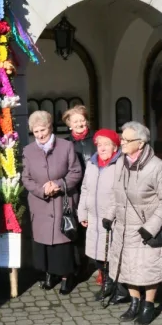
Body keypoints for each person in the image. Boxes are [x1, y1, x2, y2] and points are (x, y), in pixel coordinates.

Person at [104, 121, 162, 325]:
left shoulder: (157, 167)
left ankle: (148, 306)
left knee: (147, 268)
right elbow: (115, 194)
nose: (122, 142)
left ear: (141, 143)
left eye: (127, 140)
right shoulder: (120, 162)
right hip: (123, 227)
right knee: (127, 267)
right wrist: (109, 215)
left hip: (145, 229)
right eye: (121, 138)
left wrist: (150, 227)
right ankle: (134, 302)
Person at [22, 110, 83, 294]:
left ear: (50, 127)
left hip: (61, 202)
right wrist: (42, 190)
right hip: (40, 203)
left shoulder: (66, 146)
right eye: (36, 131)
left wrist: (58, 185)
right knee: (43, 243)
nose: (40, 135)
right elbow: (26, 178)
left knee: (62, 241)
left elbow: (76, 172)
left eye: (43, 130)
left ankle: (66, 275)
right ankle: (49, 273)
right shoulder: (28, 150)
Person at [76, 128, 128, 304]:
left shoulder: (121, 164)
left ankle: (119, 289)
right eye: (99, 144)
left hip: (111, 218)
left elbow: (122, 193)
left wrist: (110, 214)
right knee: (98, 255)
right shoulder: (91, 164)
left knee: (113, 255)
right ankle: (106, 285)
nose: (103, 148)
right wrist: (82, 212)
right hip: (93, 217)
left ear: (115, 147)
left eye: (107, 144)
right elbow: (85, 189)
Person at [62, 105, 96, 277]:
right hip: (76, 191)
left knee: (97, 228)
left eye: (82, 119)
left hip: (96, 190)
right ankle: (82, 265)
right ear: (70, 125)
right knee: (80, 230)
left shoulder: (97, 139)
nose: (80, 123)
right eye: (75, 121)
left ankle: (101, 266)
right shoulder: (66, 143)